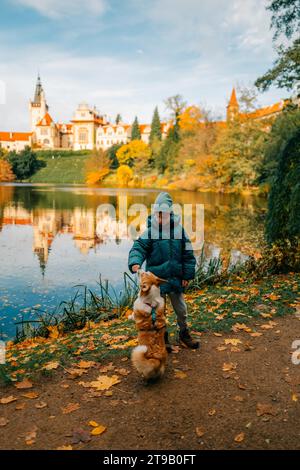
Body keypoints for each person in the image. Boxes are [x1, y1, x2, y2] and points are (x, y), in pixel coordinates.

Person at [128, 192, 199, 349]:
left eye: (164, 215)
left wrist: (187, 275)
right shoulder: (150, 233)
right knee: (160, 312)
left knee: (181, 309)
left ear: (170, 214)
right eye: (158, 215)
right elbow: (138, 248)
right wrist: (135, 262)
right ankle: (163, 337)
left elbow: (188, 254)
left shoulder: (180, 232)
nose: (160, 219)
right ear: (154, 215)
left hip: (175, 279)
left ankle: (184, 333)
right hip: (157, 281)